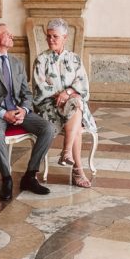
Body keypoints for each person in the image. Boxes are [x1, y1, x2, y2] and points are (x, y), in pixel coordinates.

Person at [0, 23, 56, 201]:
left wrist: (24, 110)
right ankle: (6, 178)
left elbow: (27, 93)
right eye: (7, 34)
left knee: (48, 128)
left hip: (18, 110)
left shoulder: (17, 63)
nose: (12, 37)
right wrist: (3, 114)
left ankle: (30, 176)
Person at [32, 19, 97, 188]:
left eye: (55, 36)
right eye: (48, 36)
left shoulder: (74, 59)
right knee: (76, 115)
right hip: (49, 106)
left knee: (75, 105)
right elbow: (40, 87)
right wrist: (61, 94)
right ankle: (77, 169)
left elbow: (83, 86)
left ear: (65, 37)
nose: (51, 39)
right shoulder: (41, 60)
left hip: (70, 103)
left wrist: (66, 93)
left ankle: (67, 153)